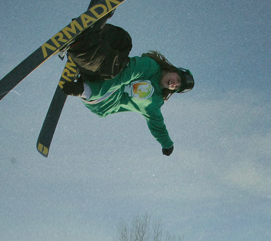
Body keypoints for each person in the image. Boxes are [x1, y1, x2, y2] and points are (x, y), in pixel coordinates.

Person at [61, 23, 194, 156]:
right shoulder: (151, 66)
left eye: (177, 88)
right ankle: (89, 37)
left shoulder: (155, 102)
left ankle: (79, 47)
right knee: (123, 40)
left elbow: (158, 126)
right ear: (174, 70)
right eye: (179, 80)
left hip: (102, 100)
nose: (175, 84)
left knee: (113, 69)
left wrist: (167, 144)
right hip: (102, 79)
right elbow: (125, 74)